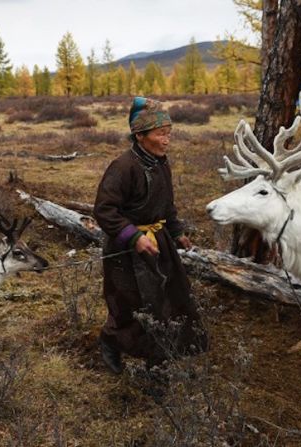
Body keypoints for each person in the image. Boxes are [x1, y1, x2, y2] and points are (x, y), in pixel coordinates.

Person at [93, 97, 208, 374]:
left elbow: (166, 204)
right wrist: (133, 237)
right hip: (126, 251)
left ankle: (159, 362)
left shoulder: (160, 163)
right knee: (130, 307)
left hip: (160, 244)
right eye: (160, 134)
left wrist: (177, 231)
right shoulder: (123, 167)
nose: (167, 140)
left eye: (169, 134)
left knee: (169, 300)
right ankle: (110, 342)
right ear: (140, 136)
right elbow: (104, 210)